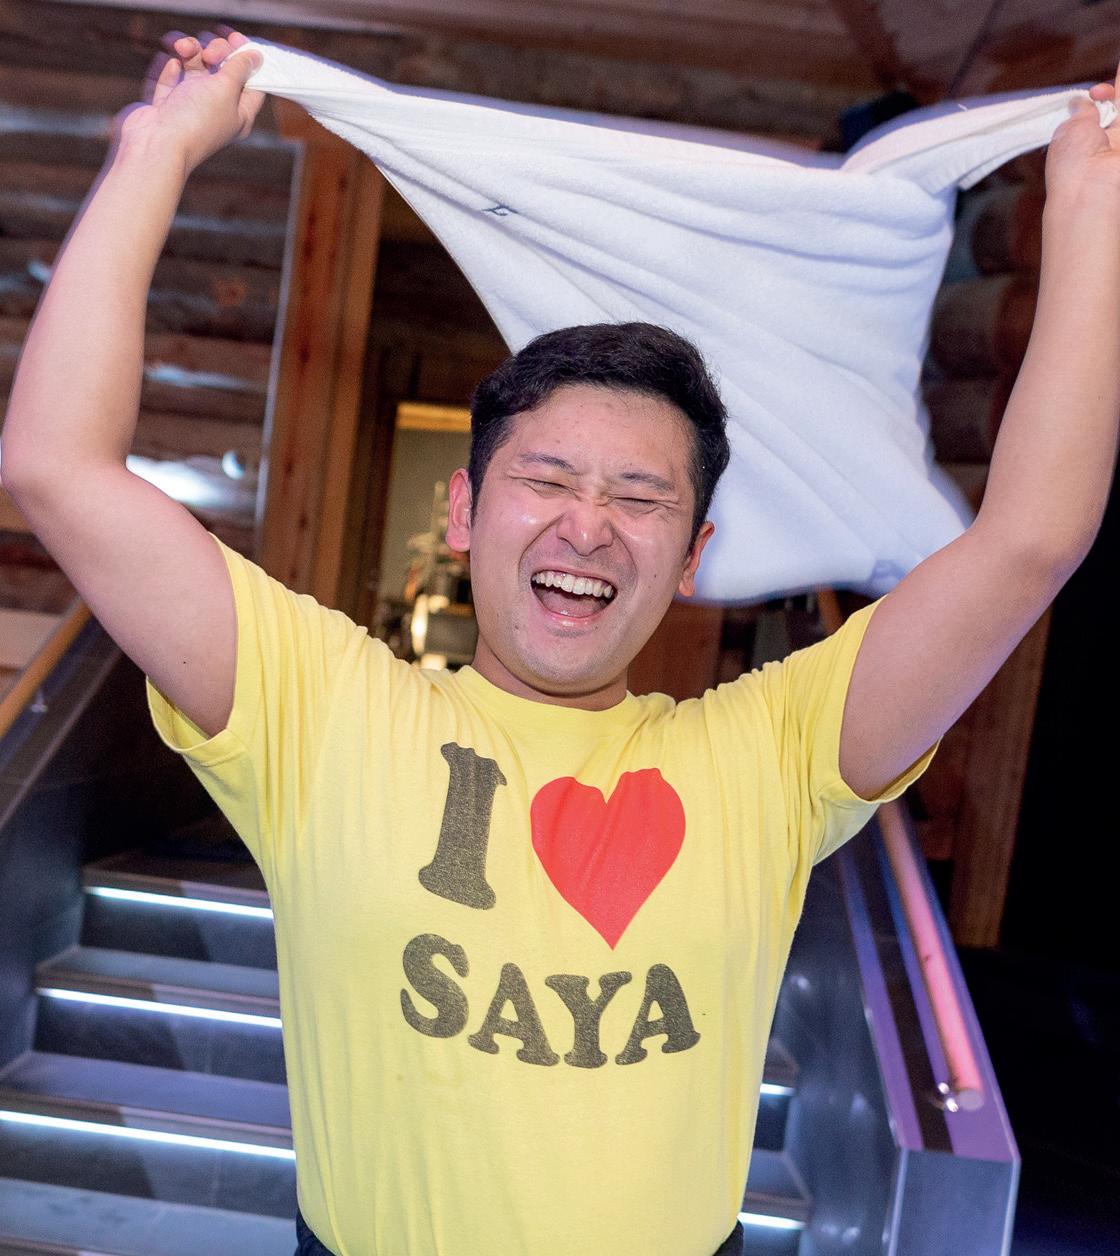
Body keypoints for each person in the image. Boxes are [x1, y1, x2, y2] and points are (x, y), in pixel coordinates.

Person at [1, 26, 1117, 1256]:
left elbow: (1029, 539)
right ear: (465, 511)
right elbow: (57, 467)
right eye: (545, 478)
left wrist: (1090, 205)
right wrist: (155, 151)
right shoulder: (317, 704)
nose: (587, 523)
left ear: (692, 556)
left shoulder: (776, 750)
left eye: (640, 497)